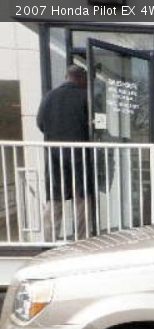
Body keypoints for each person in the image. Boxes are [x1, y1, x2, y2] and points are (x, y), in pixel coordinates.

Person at [36, 65, 94, 240]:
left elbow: (40, 123)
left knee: (55, 198)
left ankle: (48, 241)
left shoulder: (49, 97)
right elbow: (93, 127)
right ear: (81, 78)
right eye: (85, 80)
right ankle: (83, 239)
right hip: (79, 155)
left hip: (55, 156)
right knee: (82, 198)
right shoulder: (85, 96)